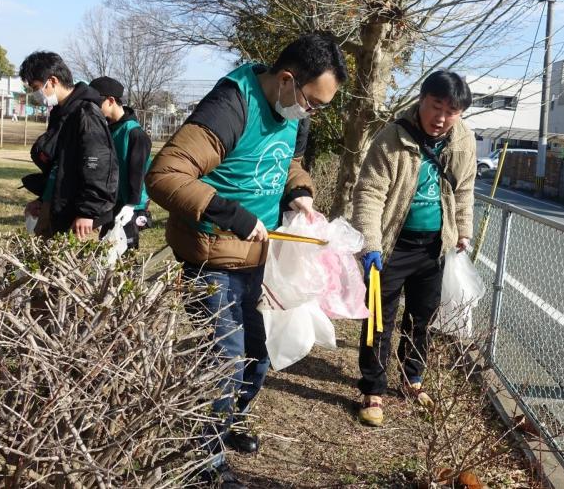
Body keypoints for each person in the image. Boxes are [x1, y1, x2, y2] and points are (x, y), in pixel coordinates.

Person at [145, 34, 347, 486]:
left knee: (259, 354)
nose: (311, 113)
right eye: (311, 103)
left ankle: (225, 423)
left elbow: (285, 163)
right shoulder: (232, 104)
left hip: (261, 258)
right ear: (287, 80)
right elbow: (164, 175)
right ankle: (205, 462)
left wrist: (300, 195)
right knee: (223, 359)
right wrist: (230, 214)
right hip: (212, 258)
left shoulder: (293, 109)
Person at [351, 70, 476, 427]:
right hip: (392, 245)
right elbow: (370, 192)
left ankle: (412, 378)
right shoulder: (392, 138)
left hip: (435, 247)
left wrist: (462, 232)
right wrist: (371, 243)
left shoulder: (463, 141)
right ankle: (373, 388)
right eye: (436, 106)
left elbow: (464, 190)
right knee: (379, 317)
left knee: (422, 317)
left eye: (452, 111)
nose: (442, 117)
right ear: (422, 100)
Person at [20, 51, 118, 239]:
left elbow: (98, 165)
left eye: (36, 87)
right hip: (58, 206)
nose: (35, 93)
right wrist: (43, 199)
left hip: (79, 217)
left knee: (72, 266)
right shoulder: (61, 112)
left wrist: (87, 212)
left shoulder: (86, 113)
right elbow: (60, 165)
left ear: (53, 81)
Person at [89, 76, 153, 250]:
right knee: (105, 247)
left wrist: (132, 204)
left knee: (124, 251)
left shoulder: (134, 134)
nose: (93, 108)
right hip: (110, 200)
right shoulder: (109, 129)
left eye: (96, 103)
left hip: (128, 204)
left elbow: (138, 172)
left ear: (110, 101)